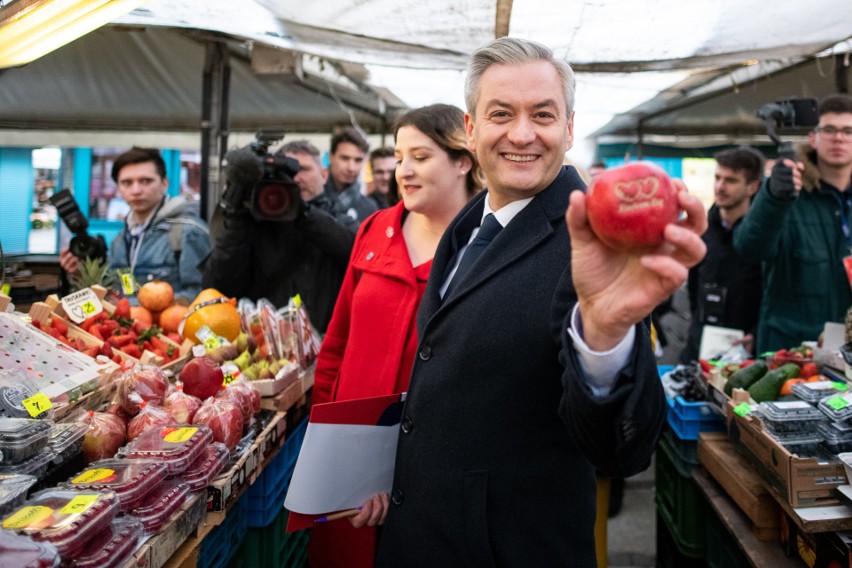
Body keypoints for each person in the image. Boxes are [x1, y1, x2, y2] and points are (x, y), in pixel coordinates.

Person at [349, 37, 707, 566]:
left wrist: (605, 337)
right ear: (471, 130)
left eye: (543, 114)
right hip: (421, 535)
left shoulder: (592, 245)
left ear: (567, 128)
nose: (522, 133)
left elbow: (621, 450)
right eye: (501, 114)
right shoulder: (469, 226)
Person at [309, 103, 484, 568]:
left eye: (421, 157)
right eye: (400, 157)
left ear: (463, 160)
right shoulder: (374, 230)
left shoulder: (485, 249)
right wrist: (330, 454)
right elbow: (336, 348)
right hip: (351, 467)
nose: (404, 171)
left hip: (433, 476)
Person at [734, 94, 852, 353]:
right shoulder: (787, 190)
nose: (839, 138)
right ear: (813, 137)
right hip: (789, 353)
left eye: (848, 131)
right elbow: (748, 248)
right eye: (829, 130)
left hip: (846, 353)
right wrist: (773, 199)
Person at [202, 140, 354, 333]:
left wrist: (302, 212)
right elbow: (218, 287)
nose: (295, 179)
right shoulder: (255, 225)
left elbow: (352, 248)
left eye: (303, 169)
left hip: (325, 344)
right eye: (286, 176)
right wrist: (237, 217)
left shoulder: (341, 218)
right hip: (265, 346)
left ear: (324, 175)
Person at [59, 147, 210, 300]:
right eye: (127, 183)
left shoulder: (187, 232)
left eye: (146, 181)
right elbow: (127, 290)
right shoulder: (122, 240)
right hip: (133, 323)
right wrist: (79, 274)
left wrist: (138, 307)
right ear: (118, 188)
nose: (136, 190)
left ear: (164, 183)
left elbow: (203, 295)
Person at [680, 146, 765, 363]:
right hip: (699, 343)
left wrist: (757, 332)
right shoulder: (704, 228)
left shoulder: (763, 235)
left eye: (731, 180)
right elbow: (694, 281)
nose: (720, 186)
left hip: (744, 350)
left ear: (753, 186)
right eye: (717, 178)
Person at [323, 126, 378, 231]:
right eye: (344, 158)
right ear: (331, 157)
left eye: (358, 160)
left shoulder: (369, 207)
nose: (351, 168)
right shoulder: (315, 198)